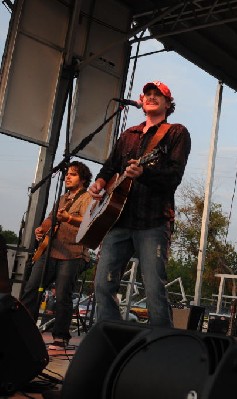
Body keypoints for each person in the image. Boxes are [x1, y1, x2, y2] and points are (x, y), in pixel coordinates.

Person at [88, 81, 191, 327]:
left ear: (168, 103)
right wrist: (100, 183)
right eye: (148, 94)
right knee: (102, 284)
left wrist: (143, 172)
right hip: (118, 219)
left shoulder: (176, 132)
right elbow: (111, 166)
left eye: (159, 95)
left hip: (153, 221)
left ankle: (160, 343)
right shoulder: (129, 134)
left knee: (154, 287)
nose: (152, 97)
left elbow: (173, 177)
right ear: (141, 101)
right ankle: (111, 335)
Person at [20, 161, 93, 349]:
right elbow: (50, 219)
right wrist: (40, 230)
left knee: (62, 296)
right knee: (31, 289)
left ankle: (60, 336)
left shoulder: (87, 198)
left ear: (83, 179)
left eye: (73, 174)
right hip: (51, 250)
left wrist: (69, 218)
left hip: (73, 253)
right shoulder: (62, 198)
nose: (67, 177)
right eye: (67, 174)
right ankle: (23, 330)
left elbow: (88, 222)